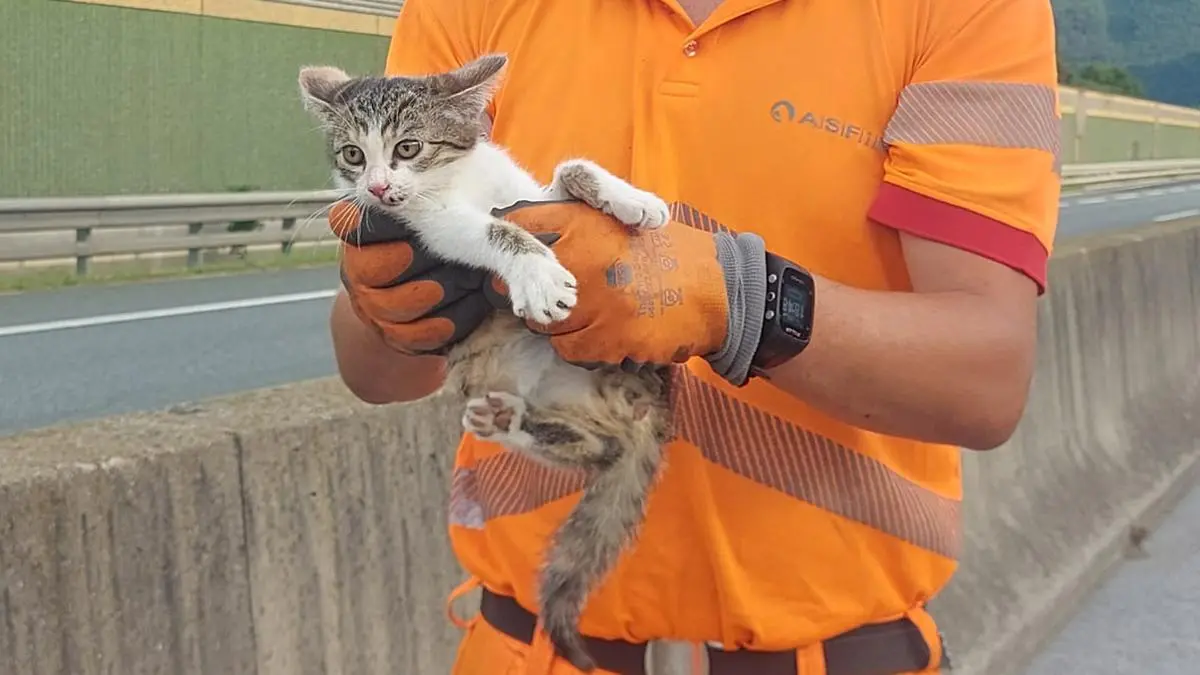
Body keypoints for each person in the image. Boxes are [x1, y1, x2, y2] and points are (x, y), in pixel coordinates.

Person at [327, 0, 1060, 672]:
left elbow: (986, 381)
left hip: (830, 655)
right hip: (528, 648)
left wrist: (741, 302)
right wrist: (383, 303)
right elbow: (380, 376)